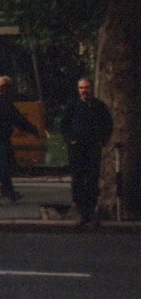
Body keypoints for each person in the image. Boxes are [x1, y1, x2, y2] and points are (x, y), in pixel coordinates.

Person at [60, 78, 113, 227]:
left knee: (92, 180)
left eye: (86, 87)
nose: (84, 90)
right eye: (81, 88)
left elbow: (108, 123)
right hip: (77, 149)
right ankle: (81, 211)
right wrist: (70, 140)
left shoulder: (99, 106)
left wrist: (103, 140)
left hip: (93, 147)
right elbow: (64, 125)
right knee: (77, 180)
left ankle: (91, 211)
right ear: (78, 89)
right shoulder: (72, 106)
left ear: (91, 89)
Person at [0, 75, 40, 206]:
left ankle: (10, 193)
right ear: (6, 88)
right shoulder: (4, 103)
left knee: (3, 167)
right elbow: (18, 119)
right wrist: (34, 130)